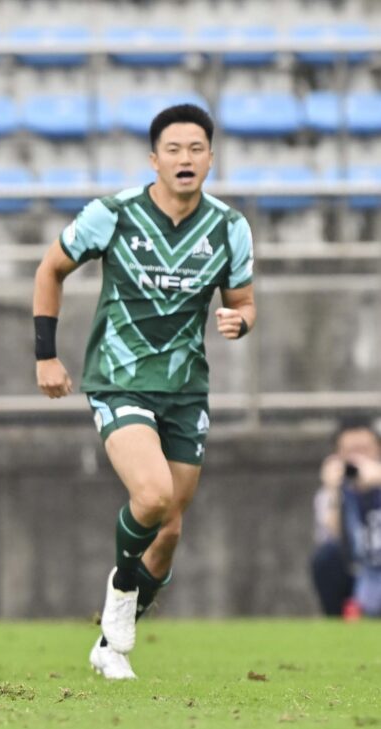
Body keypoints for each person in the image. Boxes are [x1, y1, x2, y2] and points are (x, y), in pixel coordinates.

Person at [33, 104, 256, 680]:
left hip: (185, 390)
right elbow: (50, 269)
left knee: (171, 527)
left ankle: (110, 643)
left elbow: (244, 300)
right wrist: (46, 354)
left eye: (197, 149)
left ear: (211, 157)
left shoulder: (229, 227)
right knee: (152, 496)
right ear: (154, 158)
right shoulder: (113, 214)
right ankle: (122, 586)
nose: (186, 159)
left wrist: (241, 320)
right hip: (119, 379)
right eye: (174, 149)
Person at [313, 419, 381, 617]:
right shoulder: (331, 492)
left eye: (364, 449)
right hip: (360, 568)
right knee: (326, 557)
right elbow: (332, 536)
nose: (358, 458)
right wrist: (334, 491)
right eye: (351, 451)